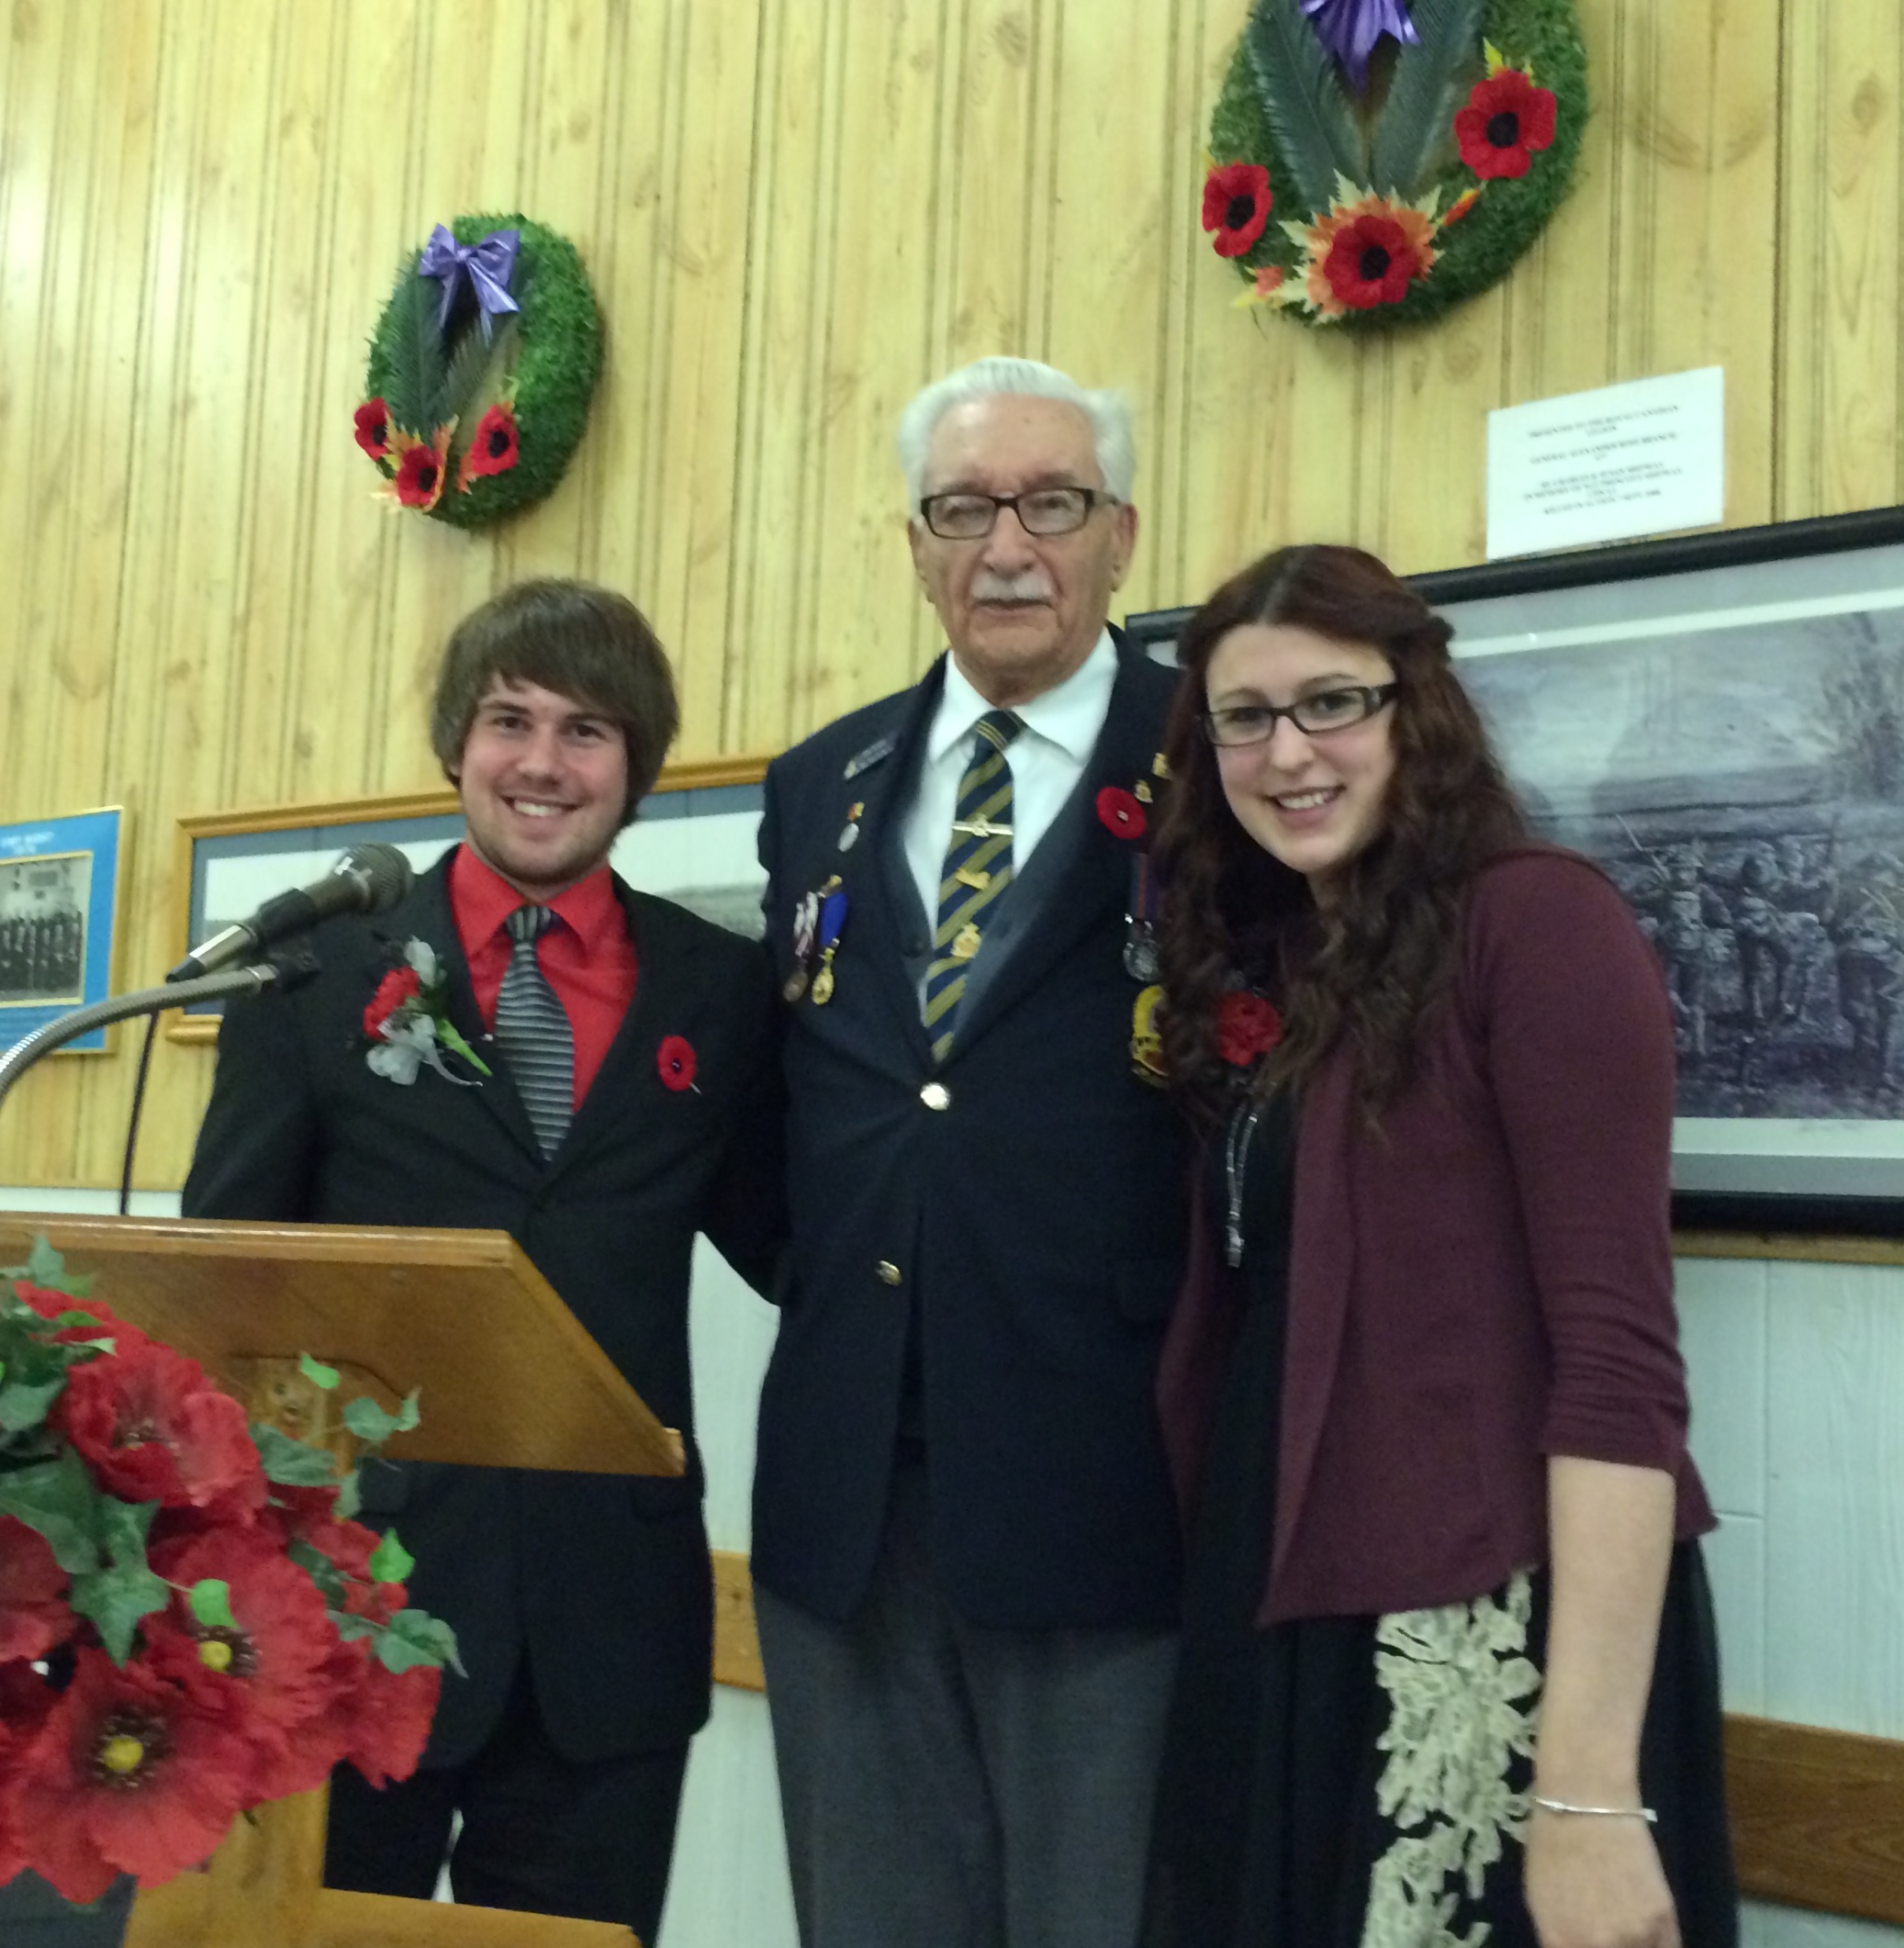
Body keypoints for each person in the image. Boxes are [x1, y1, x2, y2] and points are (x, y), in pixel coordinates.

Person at [1142, 545, 1737, 1947]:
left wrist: (1584, 1790)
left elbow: (1617, 1368)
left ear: (1413, 707)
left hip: (1487, 1634)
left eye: (1329, 702)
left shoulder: (1537, 924)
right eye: (1244, 717)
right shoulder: (1284, 962)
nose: (1288, 752)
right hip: (1282, 1607)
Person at [182, 578, 783, 1941]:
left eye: (587, 730)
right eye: (511, 719)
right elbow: (229, 1282)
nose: (542, 762)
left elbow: (791, 1239)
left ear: (635, 764)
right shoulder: (315, 972)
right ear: (458, 741)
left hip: (611, 1629)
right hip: (347, 1613)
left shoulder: (719, 988)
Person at [751, 356, 1189, 1948]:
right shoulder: (821, 781)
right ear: (915, 543)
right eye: (962, 509)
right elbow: (791, 1107)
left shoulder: (1220, 762)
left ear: (1118, 535)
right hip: (847, 1498)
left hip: (1108, 1492)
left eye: (1049, 503)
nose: (1006, 547)